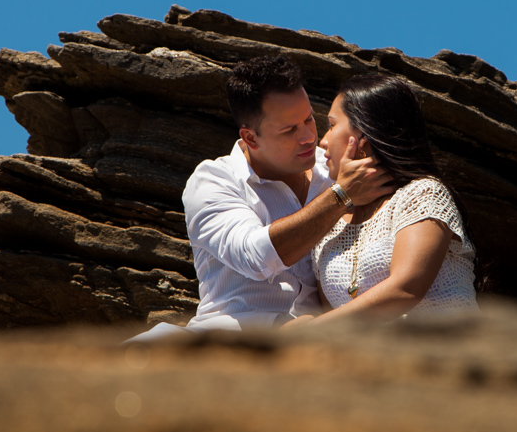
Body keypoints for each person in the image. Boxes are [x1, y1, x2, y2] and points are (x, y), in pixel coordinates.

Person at [125, 54, 392, 342]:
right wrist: (340, 196)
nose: (308, 137)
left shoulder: (335, 167)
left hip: (319, 344)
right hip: (224, 342)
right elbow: (256, 258)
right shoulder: (213, 180)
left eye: (309, 119)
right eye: (289, 129)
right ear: (250, 138)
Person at [286, 74, 477, 328]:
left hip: (448, 358)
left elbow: (405, 289)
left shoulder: (423, 194)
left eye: (331, 125)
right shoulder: (329, 230)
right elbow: (339, 320)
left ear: (363, 136)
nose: (323, 141)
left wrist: (312, 328)